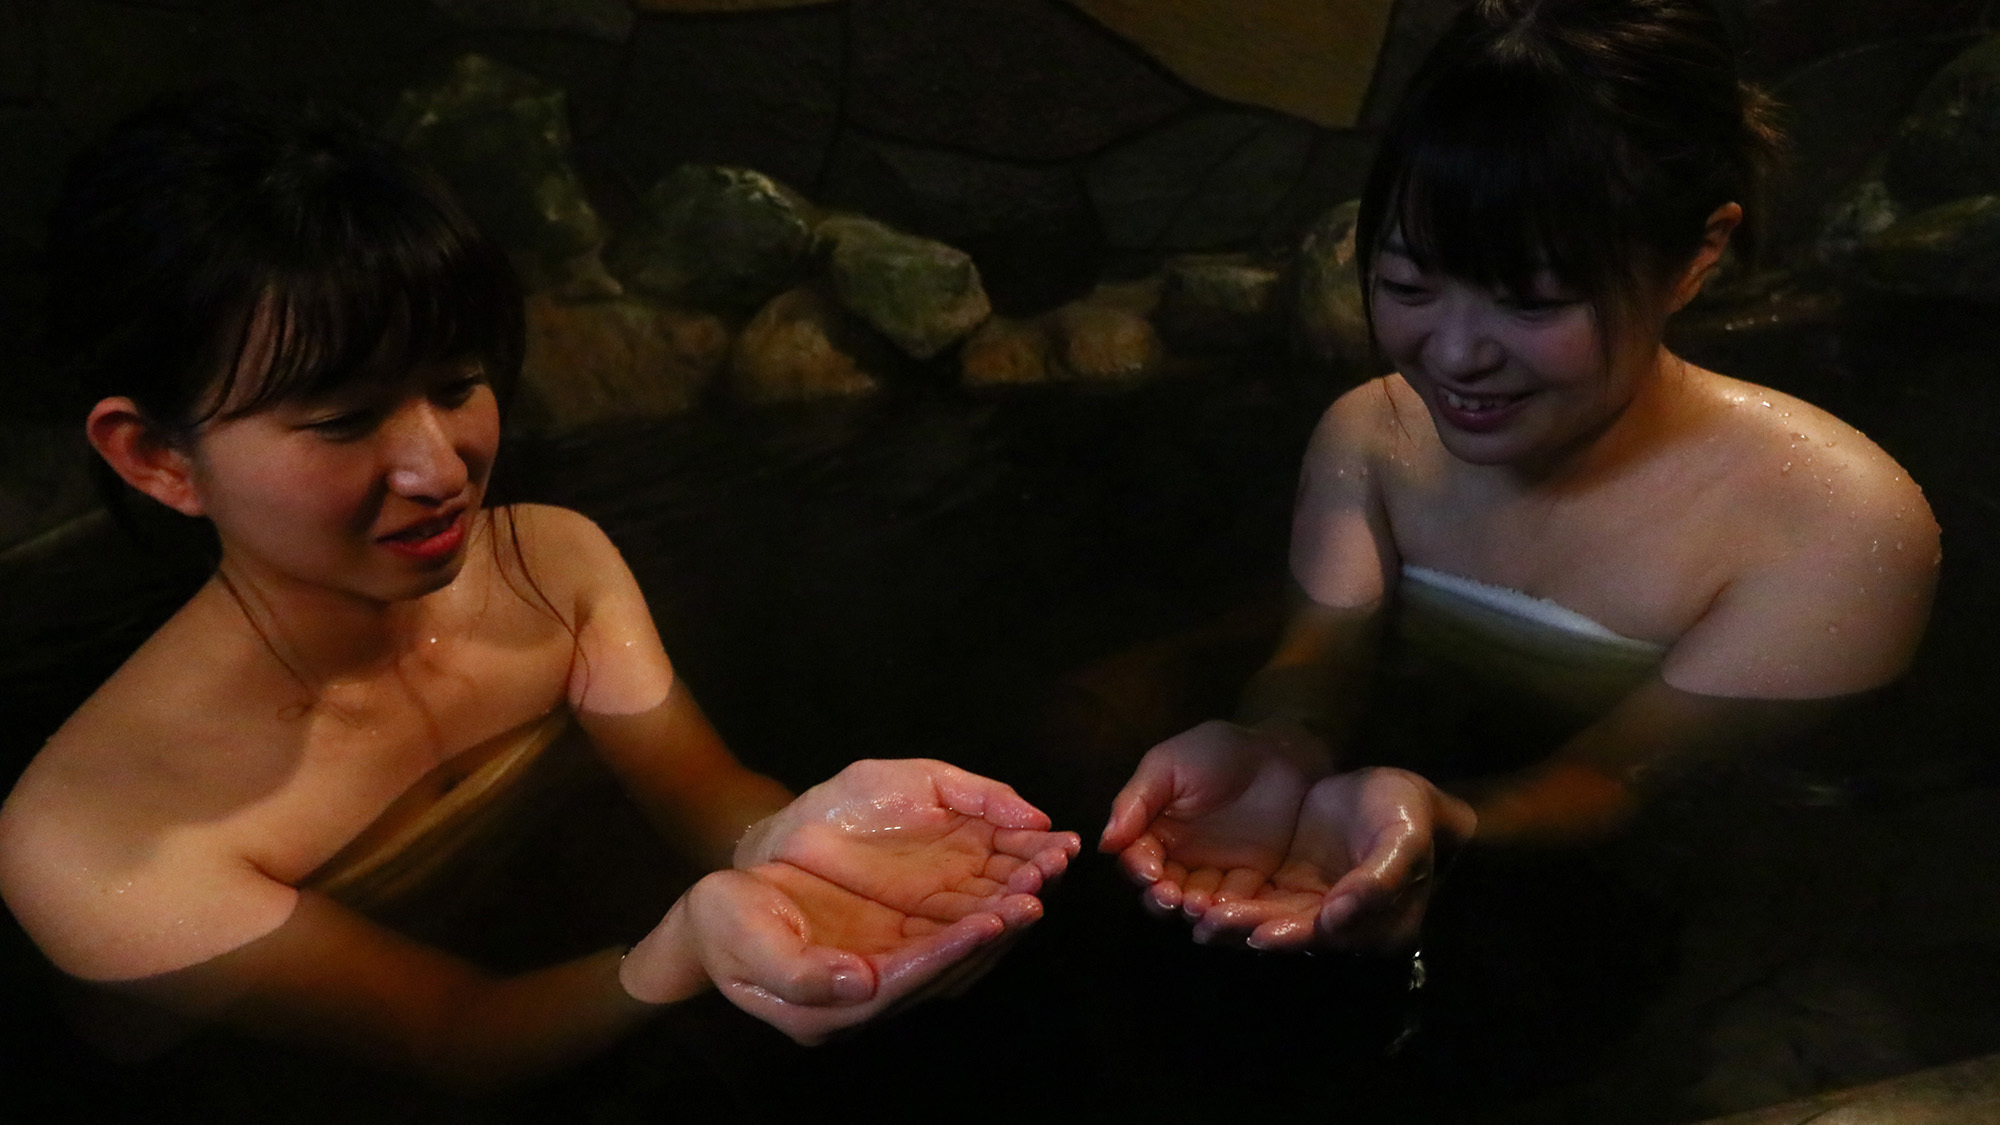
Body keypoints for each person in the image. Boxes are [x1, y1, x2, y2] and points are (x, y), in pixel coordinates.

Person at [0, 89, 1079, 1091]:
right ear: (157, 458)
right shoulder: (91, 841)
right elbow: (448, 1034)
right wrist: (680, 948)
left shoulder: (549, 567)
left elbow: (702, 794)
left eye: (456, 383)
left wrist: (796, 839)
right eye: (342, 418)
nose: (439, 468)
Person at [1099, 0, 1937, 955]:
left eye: (1533, 301)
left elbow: (1628, 773)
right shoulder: (1375, 432)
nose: (1455, 354)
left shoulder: (1834, 526)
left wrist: (1451, 820)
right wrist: (1277, 748)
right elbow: (1321, 657)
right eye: (1409, 285)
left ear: (1697, 255)